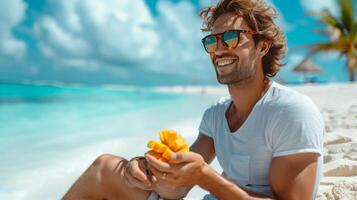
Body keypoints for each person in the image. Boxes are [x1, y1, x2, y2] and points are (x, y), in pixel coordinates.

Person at [63, 0, 324, 199]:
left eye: (232, 37)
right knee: (104, 167)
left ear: (262, 46)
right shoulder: (215, 116)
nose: (220, 49)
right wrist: (145, 167)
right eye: (212, 41)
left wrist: (204, 176)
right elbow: (178, 185)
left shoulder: (291, 111)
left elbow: (200, 174)